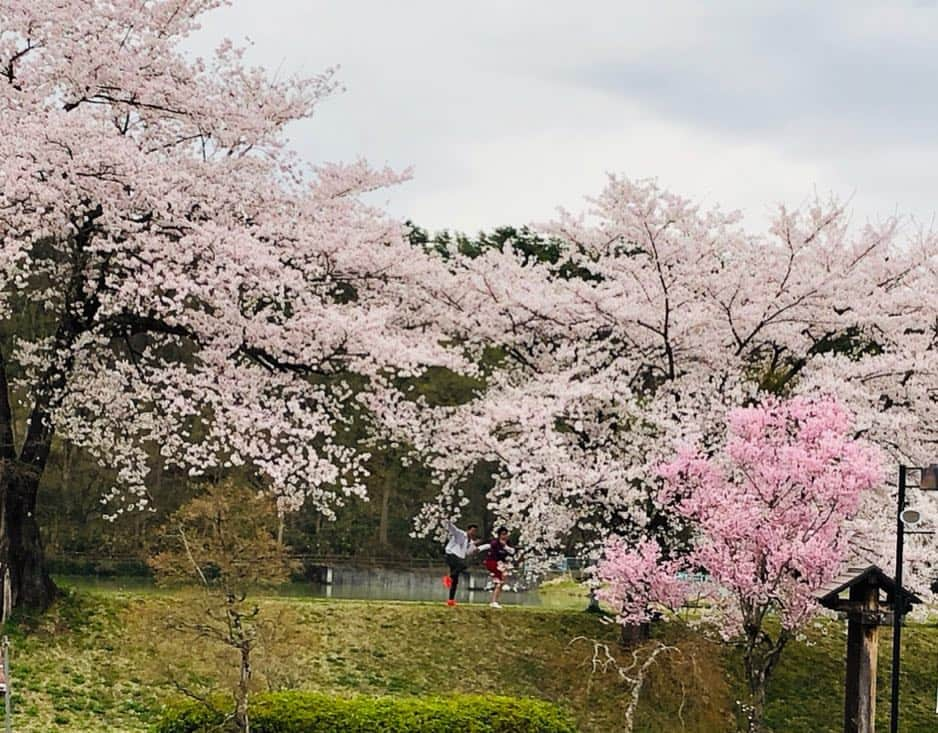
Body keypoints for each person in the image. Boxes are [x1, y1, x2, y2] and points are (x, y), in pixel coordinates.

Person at [442, 518, 480, 607]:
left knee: (455, 581)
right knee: (463, 565)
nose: (473, 533)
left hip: (458, 557)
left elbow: (468, 552)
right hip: (451, 554)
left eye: (475, 532)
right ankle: (448, 577)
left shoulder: (470, 542)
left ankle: (451, 600)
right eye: (472, 531)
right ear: (468, 530)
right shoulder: (461, 534)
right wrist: (448, 521)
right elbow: (453, 529)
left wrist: (476, 549)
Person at [478, 526, 515, 609]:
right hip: (492, 562)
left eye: (506, 534)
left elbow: (512, 551)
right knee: (501, 578)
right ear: (499, 535)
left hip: (499, 563)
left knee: (502, 577)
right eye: (502, 534)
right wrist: (478, 549)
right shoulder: (495, 543)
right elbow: (488, 546)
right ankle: (494, 601)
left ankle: (495, 598)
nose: (504, 536)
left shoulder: (507, 543)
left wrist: (505, 546)